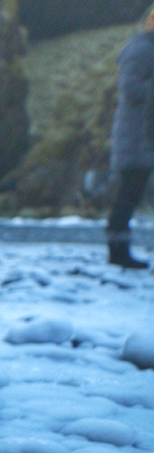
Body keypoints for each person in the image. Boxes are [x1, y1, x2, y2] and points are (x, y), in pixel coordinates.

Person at [108, 6, 154, 269]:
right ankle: (117, 252)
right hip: (137, 134)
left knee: (130, 195)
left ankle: (118, 250)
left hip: (144, 134)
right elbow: (130, 88)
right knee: (128, 196)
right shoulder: (140, 49)